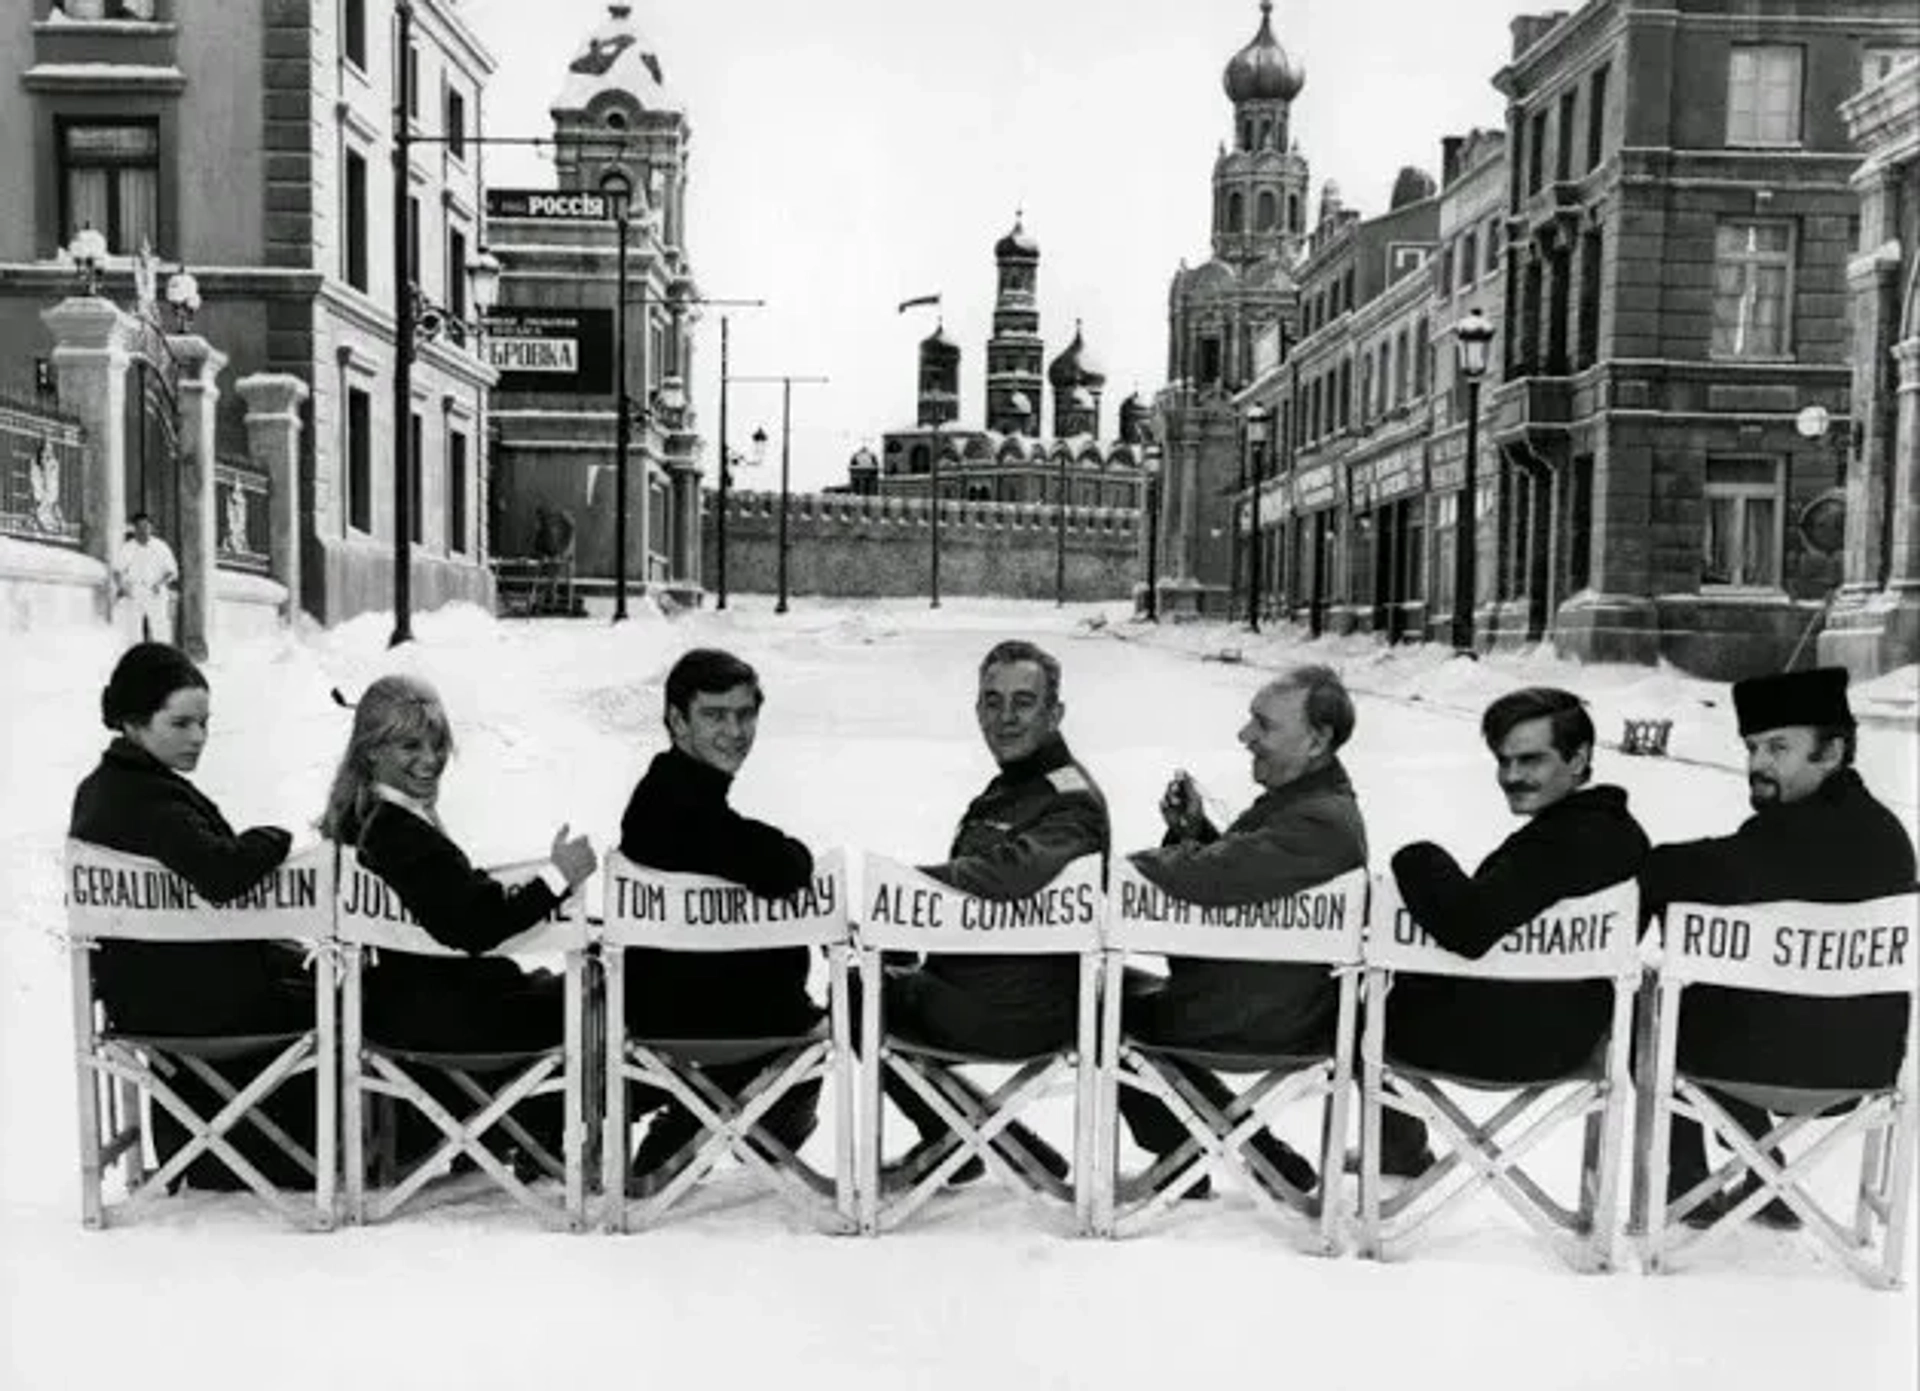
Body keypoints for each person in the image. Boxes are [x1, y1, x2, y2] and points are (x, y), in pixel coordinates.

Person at [1641, 667, 1916, 1229]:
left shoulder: (1781, 837)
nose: (1757, 764)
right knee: (1729, 996)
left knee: (1663, 1007)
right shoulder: (1891, 836)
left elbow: (1669, 871)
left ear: (1832, 751)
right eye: (1752, 748)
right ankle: (1765, 1176)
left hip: (1763, 1065)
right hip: (1864, 1069)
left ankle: (1688, 1182)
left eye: (1778, 748)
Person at [69, 642, 315, 1190]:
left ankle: (224, 1152)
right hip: (196, 1004)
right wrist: (273, 837)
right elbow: (223, 874)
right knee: (344, 995)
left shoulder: (103, 790)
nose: (198, 738)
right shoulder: (148, 800)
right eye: (179, 723)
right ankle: (303, 1155)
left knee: (311, 971)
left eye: (204, 723)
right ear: (133, 721)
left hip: (145, 992)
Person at [1120, 664, 1368, 1196]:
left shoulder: (1318, 820)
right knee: (1111, 993)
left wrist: (1114, 870)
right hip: (1260, 997)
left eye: (1264, 725)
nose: (1245, 737)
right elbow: (1247, 875)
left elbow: (1213, 874)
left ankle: (1188, 1152)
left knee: (1089, 1000)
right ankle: (1252, 1151)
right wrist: (1193, 833)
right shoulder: (1310, 805)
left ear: (1317, 740)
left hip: (1255, 1014)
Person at [1383, 687, 1649, 1175]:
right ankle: (1398, 1149)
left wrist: (1415, 854)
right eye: (1503, 762)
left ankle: (1398, 1148)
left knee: (1362, 1010)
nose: (1512, 777)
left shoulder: (1560, 843)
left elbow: (1468, 926)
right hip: (1574, 1039)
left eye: (1531, 760)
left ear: (1579, 758)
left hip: (1500, 1044)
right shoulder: (1623, 835)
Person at [878, 640, 1109, 1184]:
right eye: (992, 701)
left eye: (1023, 702)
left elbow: (1009, 873)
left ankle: (959, 1141)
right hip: (985, 990)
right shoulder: (1014, 786)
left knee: (859, 990)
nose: (1005, 718)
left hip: (1017, 1009)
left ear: (1055, 713)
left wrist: (896, 888)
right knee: (876, 966)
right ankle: (989, 1140)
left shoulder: (1067, 798)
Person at [319, 674, 597, 1085]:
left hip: (400, 1004)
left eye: (438, 744)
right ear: (372, 751)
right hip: (450, 1020)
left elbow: (440, 898)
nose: (431, 759)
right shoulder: (397, 831)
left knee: (570, 990)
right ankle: (535, 1134)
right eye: (411, 746)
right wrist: (558, 878)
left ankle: (511, 1135)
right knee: (610, 1001)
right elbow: (474, 926)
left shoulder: (360, 818)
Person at [617, 649, 823, 1183]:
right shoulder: (675, 807)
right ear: (677, 722)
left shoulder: (670, 795)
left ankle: (694, 1122)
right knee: (845, 1006)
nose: (735, 731)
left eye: (745, 714)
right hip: (728, 1028)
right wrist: (784, 852)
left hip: (677, 1018)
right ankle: (743, 1117)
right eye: (715, 715)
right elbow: (785, 867)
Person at [111, 511, 178, 645]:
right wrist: (122, 588)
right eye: (139, 527)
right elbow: (117, 571)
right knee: (133, 632)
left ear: (151, 528)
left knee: (160, 631)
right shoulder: (127, 547)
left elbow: (172, 571)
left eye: (146, 527)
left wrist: (159, 584)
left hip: (155, 591)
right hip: (135, 591)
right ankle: (137, 660)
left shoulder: (161, 547)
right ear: (134, 529)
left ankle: (162, 660)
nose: (143, 531)